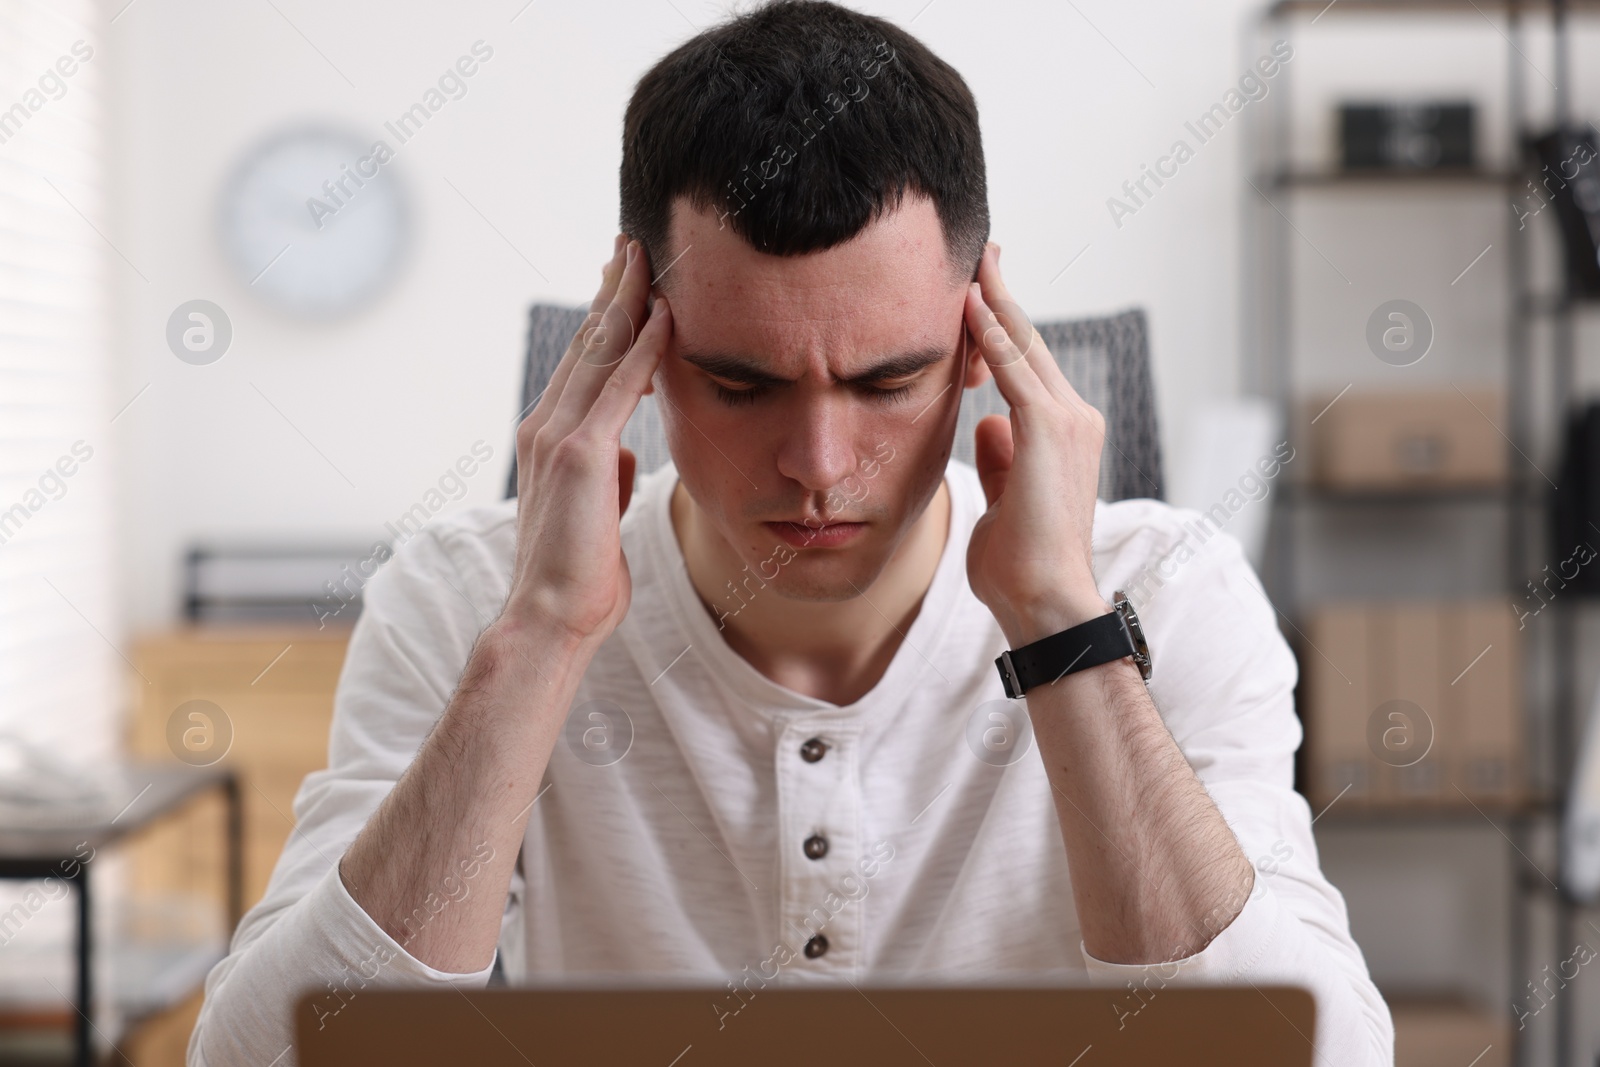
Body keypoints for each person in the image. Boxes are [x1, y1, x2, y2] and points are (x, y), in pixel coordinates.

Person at [190, 3, 1392, 1064]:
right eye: (740, 383)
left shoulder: (1164, 589)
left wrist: (1061, 626)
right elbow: (270, 1059)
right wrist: (547, 635)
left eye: (887, 381)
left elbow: (1319, 1054)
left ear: (980, 345)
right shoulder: (470, 598)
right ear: (637, 341)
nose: (819, 468)